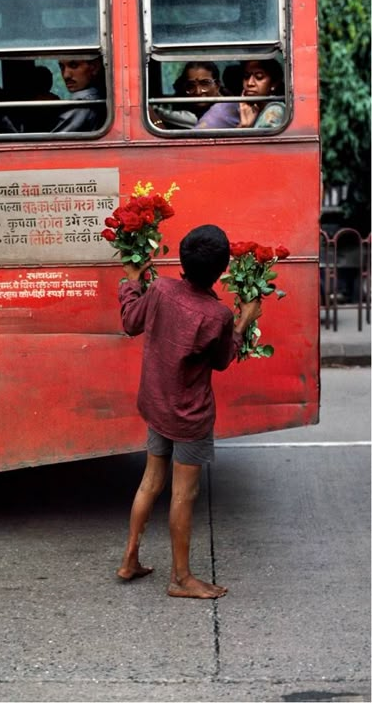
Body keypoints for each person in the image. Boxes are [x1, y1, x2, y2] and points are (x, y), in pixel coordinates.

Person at [116, 224, 262, 599]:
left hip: (156, 404)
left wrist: (132, 280)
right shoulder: (217, 316)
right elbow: (223, 360)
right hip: (189, 416)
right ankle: (181, 578)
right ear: (222, 269)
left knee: (150, 481)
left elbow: (130, 321)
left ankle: (130, 559)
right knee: (183, 496)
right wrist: (244, 319)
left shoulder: (161, 289)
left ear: (182, 259)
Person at [195, 58, 285, 130]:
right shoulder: (229, 108)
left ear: (274, 83)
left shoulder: (274, 111)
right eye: (246, 76)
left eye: (259, 77)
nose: (250, 83)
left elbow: (259, 150)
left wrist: (245, 128)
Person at [151, 61, 227, 130]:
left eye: (205, 83)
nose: (198, 91)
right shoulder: (182, 108)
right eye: (191, 86)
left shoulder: (227, 110)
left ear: (217, 85)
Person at [51, 57, 106, 133]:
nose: (66, 75)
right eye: (62, 67)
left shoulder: (83, 102)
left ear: (94, 67)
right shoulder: (98, 94)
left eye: (74, 65)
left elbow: (55, 141)